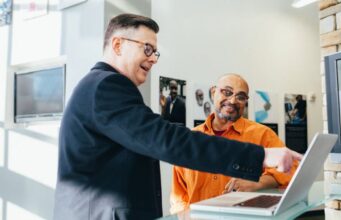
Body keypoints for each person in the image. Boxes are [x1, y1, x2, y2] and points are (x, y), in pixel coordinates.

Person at [53, 14, 302, 220]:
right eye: (147, 49)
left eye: (155, 52)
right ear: (118, 45)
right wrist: (263, 155)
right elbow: (167, 140)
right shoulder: (107, 87)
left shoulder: (100, 87)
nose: (152, 58)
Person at [170, 74, 299, 214]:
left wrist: (259, 182)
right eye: (227, 92)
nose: (232, 100)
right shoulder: (191, 139)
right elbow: (179, 196)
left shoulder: (263, 134)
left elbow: (291, 169)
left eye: (241, 97)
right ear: (213, 93)